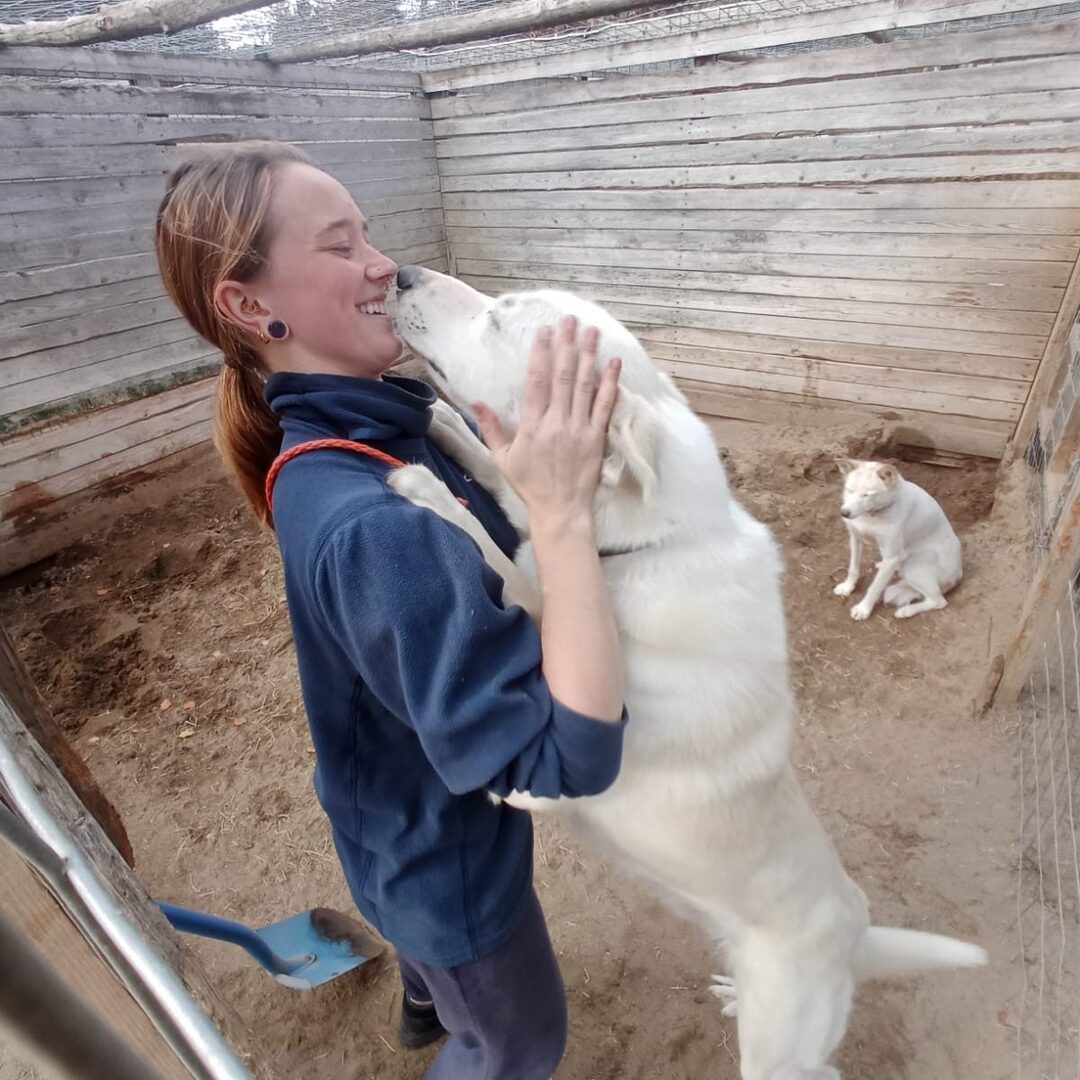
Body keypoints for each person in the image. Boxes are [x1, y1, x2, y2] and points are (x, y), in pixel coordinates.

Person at [154, 140, 627, 1080]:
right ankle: (446, 1018)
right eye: (340, 245)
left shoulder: (363, 429)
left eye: (366, 231)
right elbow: (565, 756)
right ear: (252, 307)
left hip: (382, 806)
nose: (381, 261)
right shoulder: (375, 522)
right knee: (512, 1041)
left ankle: (421, 1001)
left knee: (420, 941)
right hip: (446, 859)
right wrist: (565, 516)